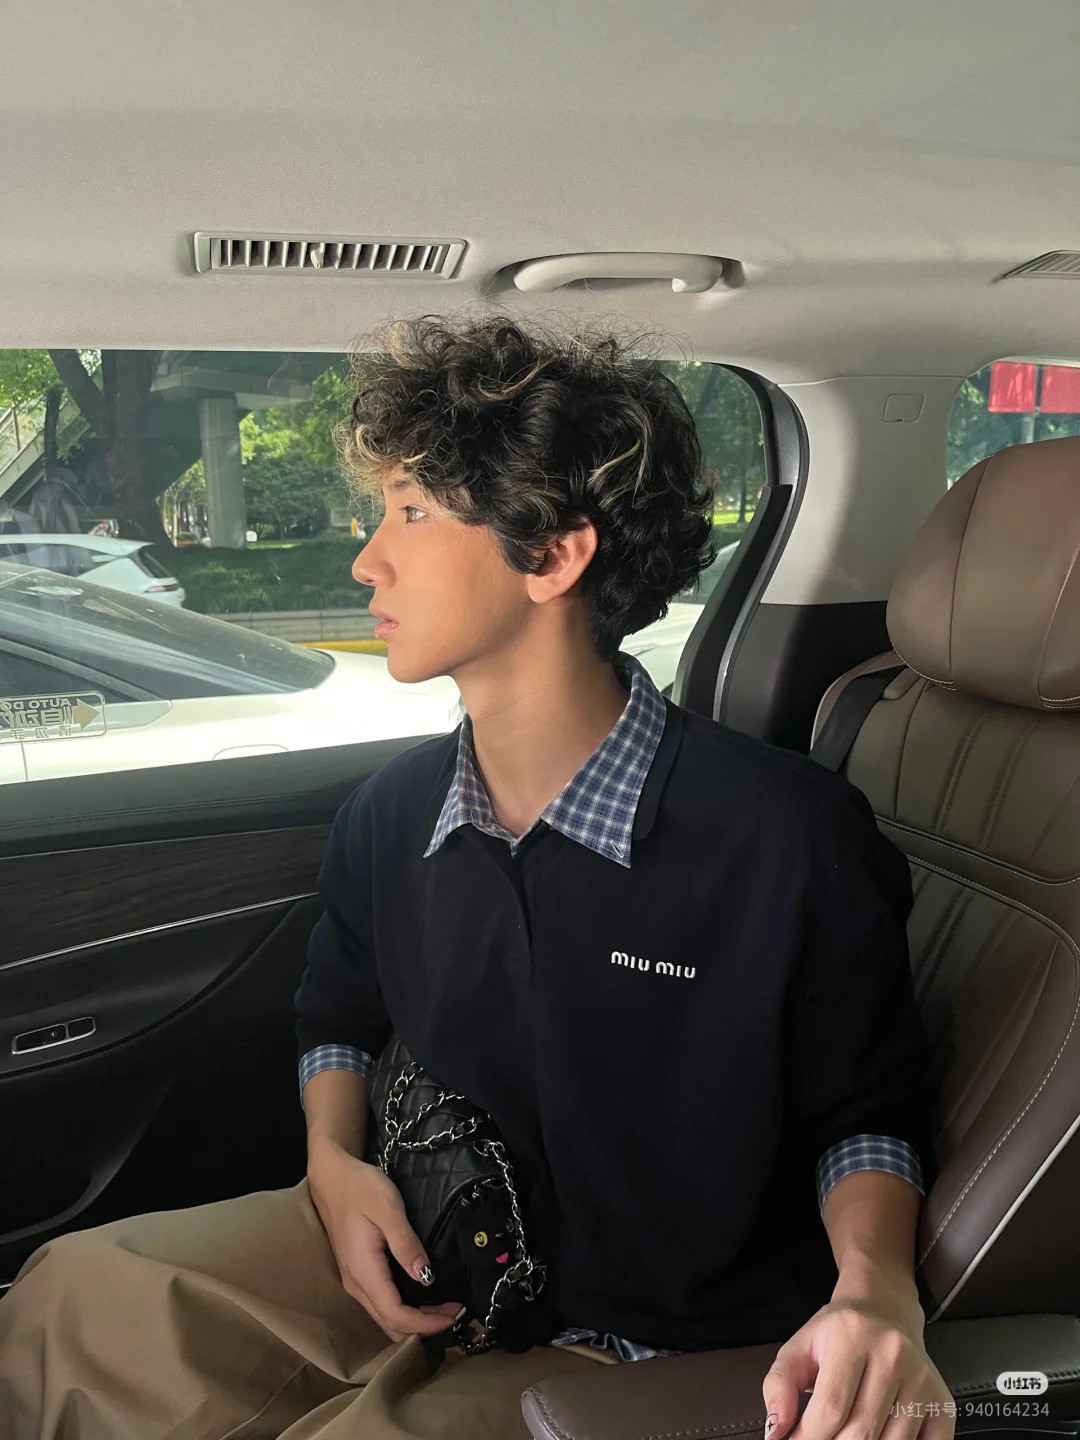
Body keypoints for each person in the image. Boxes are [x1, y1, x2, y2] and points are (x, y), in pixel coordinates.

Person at [0, 313, 953, 1440]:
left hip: (637, 1338)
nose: (367, 559)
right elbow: (337, 1019)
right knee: (67, 1299)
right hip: (426, 1240)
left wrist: (876, 1292)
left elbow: (865, 1114)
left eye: (410, 513)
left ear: (552, 555)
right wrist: (331, 1167)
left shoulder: (787, 839)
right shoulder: (390, 816)